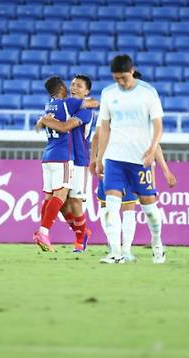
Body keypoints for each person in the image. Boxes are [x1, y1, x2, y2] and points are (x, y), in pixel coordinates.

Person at [95, 54, 165, 264]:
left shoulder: (148, 93)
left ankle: (157, 242)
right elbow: (105, 128)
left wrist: (152, 149)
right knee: (112, 205)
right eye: (116, 79)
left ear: (132, 71)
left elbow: (158, 125)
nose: (121, 83)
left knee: (150, 210)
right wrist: (100, 157)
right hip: (115, 159)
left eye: (123, 78)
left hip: (140, 159)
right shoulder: (108, 94)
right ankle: (116, 252)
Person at [90, 129, 176, 262]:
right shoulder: (110, 111)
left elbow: (154, 144)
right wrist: (95, 159)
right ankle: (115, 250)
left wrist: (166, 171)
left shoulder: (140, 116)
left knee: (140, 209)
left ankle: (149, 245)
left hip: (135, 166)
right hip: (111, 165)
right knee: (107, 206)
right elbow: (97, 135)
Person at [33, 75, 97, 252]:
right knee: (62, 204)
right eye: (72, 85)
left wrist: (46, 120)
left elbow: (66, 126)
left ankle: (79, 239)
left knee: (75, 201)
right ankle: (82, 233)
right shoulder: (68, 105)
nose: (74, 88)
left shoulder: (84, 110)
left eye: (79, 86)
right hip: (66, 158)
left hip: (79, 160)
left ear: (87, 91)